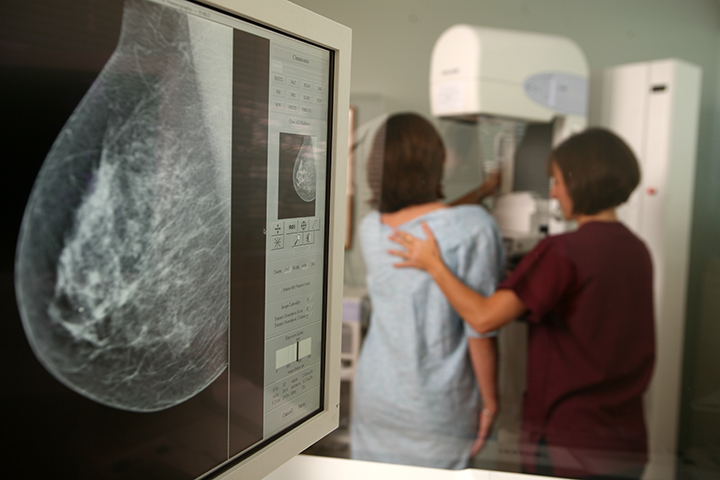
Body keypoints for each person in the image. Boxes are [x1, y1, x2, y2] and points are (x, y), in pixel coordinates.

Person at [389, 128, 655, 479]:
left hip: (570, 443)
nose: (555, 192)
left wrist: (433, 264)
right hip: (625, 443)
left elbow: (483, 319)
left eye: (558, 181)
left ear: (584, 182)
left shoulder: (562, 253)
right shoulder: (636, 249)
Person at [350, 112, 505, 469]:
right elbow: (479, 326)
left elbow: (429, 221)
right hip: (435, 404)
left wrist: (481, 191)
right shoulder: (476, 228)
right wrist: (490, 402)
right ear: (436, 160)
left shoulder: (370, 229)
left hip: (377, 396)